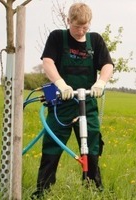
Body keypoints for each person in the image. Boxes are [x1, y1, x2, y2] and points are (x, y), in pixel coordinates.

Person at [31, 2, 114, 199]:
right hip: (62, 104)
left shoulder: (95, 41)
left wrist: (100, 83)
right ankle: (42, 190)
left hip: (88, 104)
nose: (80, 31)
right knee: (52, 144)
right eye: (77, 26)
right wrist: (60, 83)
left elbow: (108, 64)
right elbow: (48, 61)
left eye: (85, 27)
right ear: (69, 21)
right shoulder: (58, 37)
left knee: (92, 146)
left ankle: (93, 188)